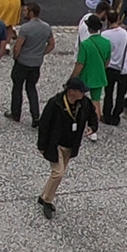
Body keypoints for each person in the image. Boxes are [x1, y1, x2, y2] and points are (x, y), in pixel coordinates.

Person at [36, 77, 97, 220]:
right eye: (80, 91)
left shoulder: (84, 103)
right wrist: (42, 146)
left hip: (71, 145)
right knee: (58, 173)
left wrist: (93, 127)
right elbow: (44, 125)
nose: (83, 94)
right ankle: (47, 201)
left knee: (57, 174)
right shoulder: (55, 103)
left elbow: (92, 115)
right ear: (71, 92)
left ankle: (43, 195)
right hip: (55, 145)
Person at [6, 2, 54, 126]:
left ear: (31, 12)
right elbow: (51, 44)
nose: (24, 13)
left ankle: (16, 113)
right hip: (36, 64)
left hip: (23, 62)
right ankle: (35, 116)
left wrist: (16, 57)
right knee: (31, 88)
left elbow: (17, 47)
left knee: (17, 87)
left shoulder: (25, 28)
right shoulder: (46, 27)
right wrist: (41, 53)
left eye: (25, 11)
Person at [71, 14, 110, 140]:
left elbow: (80, 64)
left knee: (78, 100)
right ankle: (93, 129)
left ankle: (76, 125)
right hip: (99, 75)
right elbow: (107, 61)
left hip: (86, 76)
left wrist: (72, 78)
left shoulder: (86, 44)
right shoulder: (106, 43)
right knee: (96, 101)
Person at [100, 10, 127, 126]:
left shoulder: (105, 35)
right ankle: (116, 116)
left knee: (108, 93)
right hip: (124, 67)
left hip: (110, 67)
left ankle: (107, 115)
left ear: (108, 19)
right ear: (118, 18)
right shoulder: (126, 33)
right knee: (121, 94)